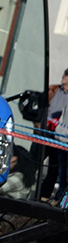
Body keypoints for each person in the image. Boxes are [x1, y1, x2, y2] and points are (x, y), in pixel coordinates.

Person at [49, 68, 68, 201]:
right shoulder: (55, 90)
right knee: (61, 174)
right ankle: (60, 198)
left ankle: (62, 200)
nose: (63, 77)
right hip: (60, 139)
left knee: (65, 174)